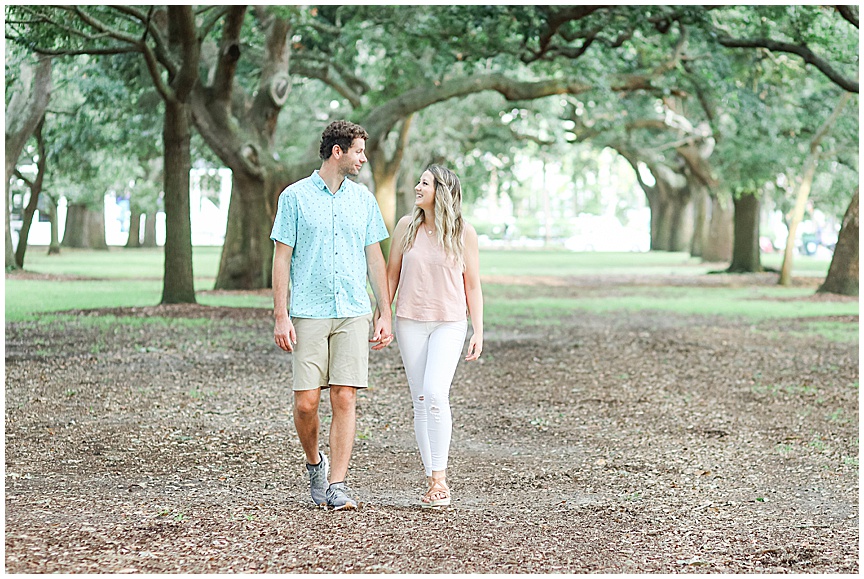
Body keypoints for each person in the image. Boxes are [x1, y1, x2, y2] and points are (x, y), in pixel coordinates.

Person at [271, 120, 393, 511]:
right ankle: (315, 465)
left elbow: (375, 258)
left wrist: (384, 311)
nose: (363, 157)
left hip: (353, 311)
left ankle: (338, 485)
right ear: (337, 152)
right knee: (306, 402)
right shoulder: (294, 197)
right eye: (358, 150)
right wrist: (280, 315)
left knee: (344, 396)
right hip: (308, 311)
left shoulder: (364, 201)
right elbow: (281, 258)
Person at [386, 165, 484, 508]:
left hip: (450, 322)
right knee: (421, 401)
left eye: (424, 183)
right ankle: (431, 478)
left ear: (440, 190)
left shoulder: (463, 232)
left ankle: (441, 479)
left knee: (435, 393)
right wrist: (383, 314)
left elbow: (472, 283)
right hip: (409, 320)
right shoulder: (405, 228)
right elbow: (391, 275)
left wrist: (479, 330)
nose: (416, 187)